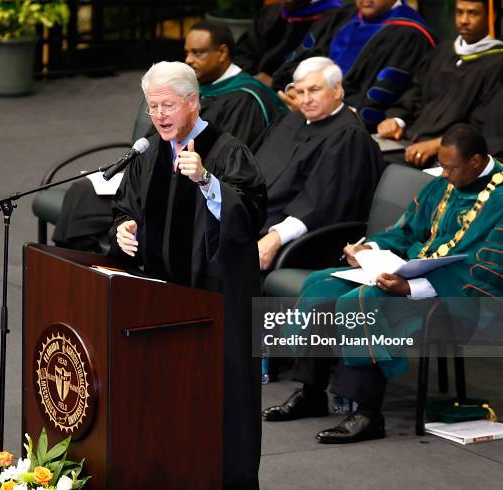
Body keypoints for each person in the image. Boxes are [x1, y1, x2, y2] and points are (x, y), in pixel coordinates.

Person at [262, 123, 502, 444]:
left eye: (451, 167)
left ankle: (367, 413)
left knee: (359, 303)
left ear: (476, 161)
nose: (444, 175)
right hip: (411, 272)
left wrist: (412, 288)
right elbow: (405, 231)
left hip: (456, 295)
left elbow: (486, 268)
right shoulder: (443, 183)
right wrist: (370, 250)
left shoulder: (499, 200)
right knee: (322, 286)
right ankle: (312, 391)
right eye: (442, 166)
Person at [113, 61, 266, 488]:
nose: (159, 115)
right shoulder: (150, 151)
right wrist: (123, 228)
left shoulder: (227, 149)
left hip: (216, 297)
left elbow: (252, 216)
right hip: (160, 296)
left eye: (167, 105)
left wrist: (207, 182)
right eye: (152, 106)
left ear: (193, 101)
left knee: (220, 396)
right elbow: (127, 204)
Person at [52, 21, 281, 253]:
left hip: (197, 208)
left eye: (198, 52)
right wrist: (124, 223)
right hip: (160, 195)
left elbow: (235, 178)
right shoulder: (157, 136)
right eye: (153, 107)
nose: (189, 59)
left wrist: (203, 177)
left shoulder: (245, 102)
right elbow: (129, 201)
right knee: (82, 193)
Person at [253, 57, 383, 271]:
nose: (305, 100)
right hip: (252, 218)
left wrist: (274, 238)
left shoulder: (348, 137)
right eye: (300, 92)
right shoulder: (290, 120)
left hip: (300, 240)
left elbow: (320, 204)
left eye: (314, 90)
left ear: (337, 89)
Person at [271, 0, 435, 131]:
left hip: (345, 128)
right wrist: (295, 90)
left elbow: (381, 98)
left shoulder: (410, 35)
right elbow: (303, 58)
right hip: (302, 111)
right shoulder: (342, 17)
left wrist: (319, 106)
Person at [377, 0, 503, 168]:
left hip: (449, 158)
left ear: (491, 16)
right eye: (459, 12)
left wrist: (441, 144)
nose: (464, 20)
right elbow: (415, 91)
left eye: (472, 13)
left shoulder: (497, 64)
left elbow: (486, 126)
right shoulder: (442, 52)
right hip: (406, 141)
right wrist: (396, 120)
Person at [186, 20, 287, 148]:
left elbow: (234, 157)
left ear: (222, 53)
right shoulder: (202, 88)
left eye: (197, 53)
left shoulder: (245, 99)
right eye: (187, 53)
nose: (188, 60)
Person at [234, 0, 344, 86]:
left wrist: (276, 83)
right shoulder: (271, 12)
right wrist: (250, 78)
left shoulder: (335, 20)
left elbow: (323, 66)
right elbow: (244, 52)